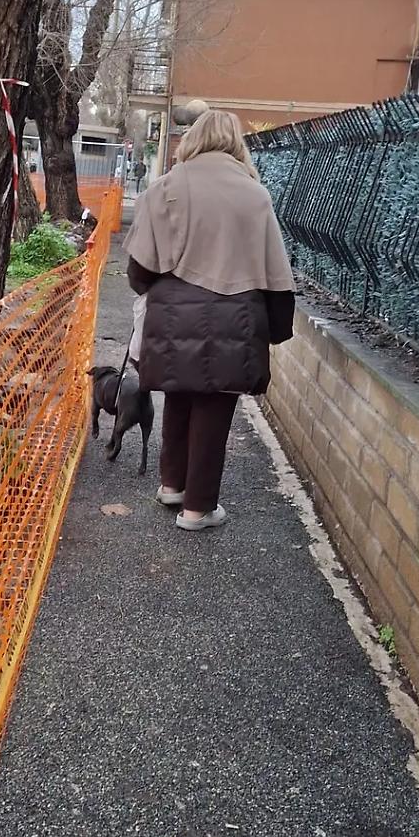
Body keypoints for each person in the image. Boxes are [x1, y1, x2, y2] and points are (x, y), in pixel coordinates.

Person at [124, 109, 296, 531]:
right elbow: (276, 271)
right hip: (235, 317)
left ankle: (171, 485)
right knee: (215, 410)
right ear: (237, 143)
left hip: (173, 314)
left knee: (179, 396)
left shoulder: (164, 188)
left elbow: (139, 272)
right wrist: (275, 328)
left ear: (192, 139)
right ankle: (198, 509)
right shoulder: (256, 196)